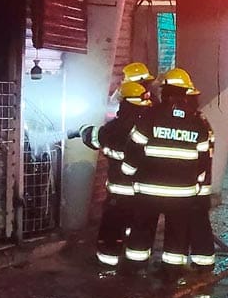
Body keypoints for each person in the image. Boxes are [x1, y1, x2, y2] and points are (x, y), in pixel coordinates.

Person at [121, 67, 215, 281]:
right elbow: (203, 160)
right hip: (182, 193)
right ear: (186, 93)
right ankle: (171, 272)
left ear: (164, 91)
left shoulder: (149, 116)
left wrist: (128, 172)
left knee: (142, 229)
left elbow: (134, 149)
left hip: (148, 190)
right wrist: (195, 182)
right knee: (177, 232)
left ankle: (135, 268)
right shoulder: (198, 123)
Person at [79, 79, 152, 268]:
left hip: (119, 192)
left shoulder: (116, 127)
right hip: (143, 192)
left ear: (124, 104)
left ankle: (108, 262)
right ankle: (136, 266)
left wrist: (81, 130)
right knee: (138, 229)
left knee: (112, 227)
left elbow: (96, 138)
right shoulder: (151, 125)